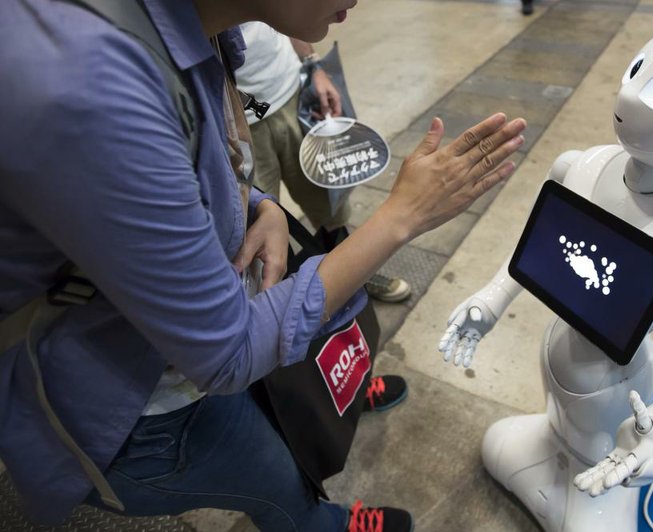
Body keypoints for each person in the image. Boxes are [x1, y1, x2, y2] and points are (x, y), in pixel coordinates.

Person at [0, 1, 527, 531]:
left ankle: (332, 397)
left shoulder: (194, 27)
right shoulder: (93, 89)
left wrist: (260, 203)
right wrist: (401, 218)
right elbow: (228, 352)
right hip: (138, 411)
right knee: (281, 481)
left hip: (182, 355)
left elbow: (192, 165)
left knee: (294, 396)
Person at [438, 18, 653, 531]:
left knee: (588, 464)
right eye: (637, 72)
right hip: (555, 357)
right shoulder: (581, 165)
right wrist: (491, 298)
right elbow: (536, 247)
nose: (629, 97)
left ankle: (586, 473)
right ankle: (553, 443)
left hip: (613, 389)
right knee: (500, 444)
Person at [235, 22, 413, 304]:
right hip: (236, 121)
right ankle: (283, 309)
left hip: (292, 94)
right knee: (254, 231)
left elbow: (284, 10)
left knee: (330, 202)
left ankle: (356, 279)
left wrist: (313, 65)